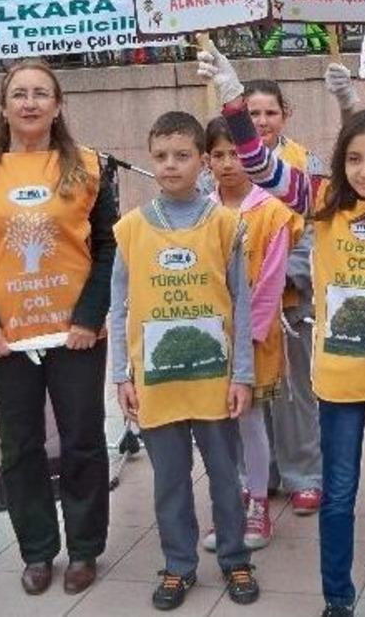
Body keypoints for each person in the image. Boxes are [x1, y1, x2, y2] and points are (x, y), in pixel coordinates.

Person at [197, 17, 365, 617]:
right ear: (340, 162)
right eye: (354, 158)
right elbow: (259, 163)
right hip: (341, 382)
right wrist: (234, 102)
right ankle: (337, 601)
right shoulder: (319, 200)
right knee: (341, 494)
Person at [0, 60, 115, 597]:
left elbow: (108, 246)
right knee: (19, 446)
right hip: (6, 337)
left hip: (76, 334)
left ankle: (85, 548)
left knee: (83, 441)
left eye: (41, 93)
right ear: (3, 106)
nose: (29, 102)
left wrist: (90, 317)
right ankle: (38, 551)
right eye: (18, 93)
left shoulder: (88, 168)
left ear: (58, 105)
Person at [110, 111, 260, 610]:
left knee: (225, 475)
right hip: (157, 381)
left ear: (204, 161)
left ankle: (235, 557)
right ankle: (178, 565)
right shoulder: (130, 229)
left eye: (182, 156)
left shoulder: (226, 225)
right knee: (169, 480)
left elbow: (241, 301)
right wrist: (120, 375)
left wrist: (242, 374)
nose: (170, 166)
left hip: (214, 381)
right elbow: (118, 308)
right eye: (160, 157)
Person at [204, 116, 303, 550]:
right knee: (218, 425)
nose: (228, 164)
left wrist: (248, 335)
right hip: (211, 338)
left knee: (250, 423)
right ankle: (234, 499)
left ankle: (259, 503)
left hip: (254, 340)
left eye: (236, 154)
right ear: (207, 160)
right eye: (219, 155)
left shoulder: (273, 211)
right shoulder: (202, 210)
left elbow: (270, 283)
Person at [241, 80, 324, 514]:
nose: (261, 121)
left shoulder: (306, 161)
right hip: (242, 303)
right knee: (251, 392)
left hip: (293, 301)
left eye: (269, 113)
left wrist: (285, 279)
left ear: (285, 114)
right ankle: (261, 474)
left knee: (296, 392)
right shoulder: (224, 160)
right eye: (253, 113)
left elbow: (317, 228)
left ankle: (305, 475)